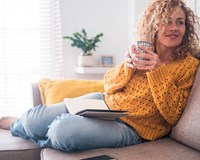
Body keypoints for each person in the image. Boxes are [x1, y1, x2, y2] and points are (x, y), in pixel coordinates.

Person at [0, 0, 200, 152]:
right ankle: (19, 124)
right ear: (154, 26)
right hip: (103, 103)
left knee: (61, 131)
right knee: (33, 119)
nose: (174, 27)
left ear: (186, 28)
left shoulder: (189, 65)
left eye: (180, 22)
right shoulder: (142, 51)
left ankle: (46, 132)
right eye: (167, 21)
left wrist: (157, 72)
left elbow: (173, 115)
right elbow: (109, 85)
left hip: (134, 128)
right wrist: (127, 66)